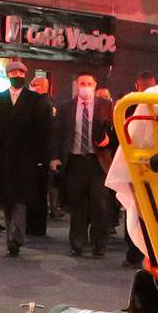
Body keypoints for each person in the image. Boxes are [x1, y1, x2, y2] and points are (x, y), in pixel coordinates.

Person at [0, 59, 55, 257]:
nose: (17, 77)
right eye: (14, 75)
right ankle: (10, 239)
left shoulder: (36, 100)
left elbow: (44, 131)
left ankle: (17, 236)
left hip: (25, 160)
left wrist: (42, 157)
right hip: (2, 160)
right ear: (8, 76)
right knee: (6, 201)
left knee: (20, 199)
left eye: (21, 74)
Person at [53, 73, 115, 257]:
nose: (85, 86)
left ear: (95, 85)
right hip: (76, 162)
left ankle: (99, 244)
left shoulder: (106, 106)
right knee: (77, 205)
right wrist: (55, 157)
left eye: (89, 83)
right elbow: (57, 135)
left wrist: (108, 140)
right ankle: (77, 243)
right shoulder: (66, 108)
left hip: (98, 162)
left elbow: (116, 132)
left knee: (99, 205)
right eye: (82, 84)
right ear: (77, 86)